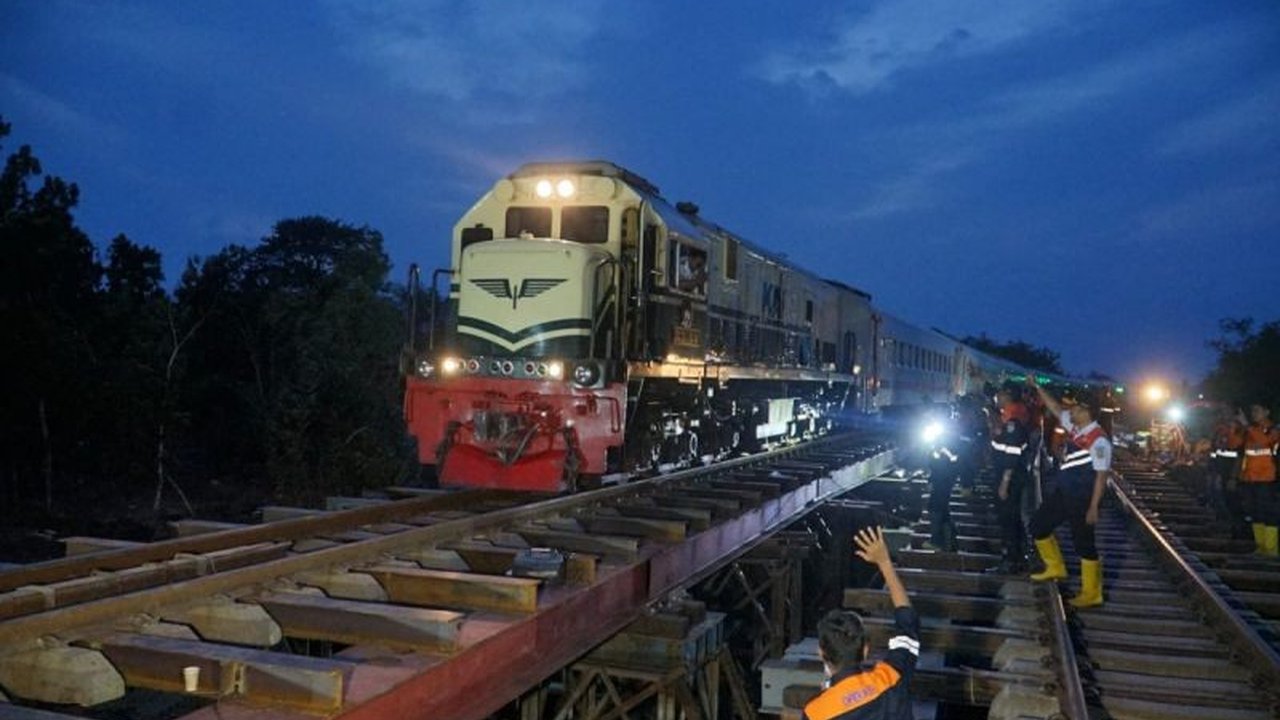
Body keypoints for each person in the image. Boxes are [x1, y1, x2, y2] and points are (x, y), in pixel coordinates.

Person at [804, 526, 919, 720]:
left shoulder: (816, 712)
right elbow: (908, 623)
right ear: (865, 650)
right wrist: (884, 562)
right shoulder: (890, 677)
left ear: (821, 654)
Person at [1024, 377, 1111, 609]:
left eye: (1074, 407)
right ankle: (1055, 566)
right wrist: (1038, 387)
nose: (1069, 410)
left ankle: (1092, 593)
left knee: (1084, 543)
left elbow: (1102, 476)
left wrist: (1094, 507)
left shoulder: (1099, 441)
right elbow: (1053, 406)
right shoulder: (1075, 428)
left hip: (1082, 498)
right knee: (1038, 526)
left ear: (1086, 411)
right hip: (1064, 493)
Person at [988, 385, 1031, 573]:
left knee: (1008, 517)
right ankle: (1018, 555)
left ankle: (1010, 559)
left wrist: (1004, 483)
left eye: (1001, 393)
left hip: (1010, 478)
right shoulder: (1009, 418)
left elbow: (1012, 455)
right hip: (1010, 476)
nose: (997, 396)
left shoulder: (1013, 423)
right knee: (1011, 517)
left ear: (1008, 396)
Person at [1236, 403, 1280, 555]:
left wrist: (1246, 426)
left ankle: (1271, 549)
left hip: (1268, 478)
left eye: (1257, 410)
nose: (1253, 413)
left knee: (1269, 513)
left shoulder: (1273, 429)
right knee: (1256, 513)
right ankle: (1261, 547)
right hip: (1251, 478)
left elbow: (1263, 441)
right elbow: (1236, 445)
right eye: (1252, 410)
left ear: (1267, 412)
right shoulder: (1251, 430)